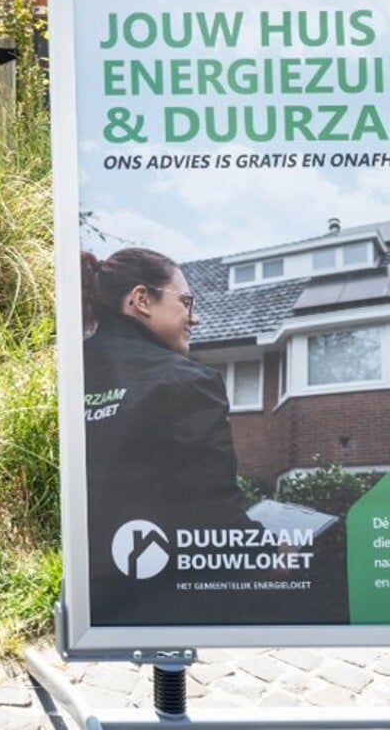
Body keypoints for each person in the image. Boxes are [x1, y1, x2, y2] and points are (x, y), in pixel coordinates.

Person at [81, 246, 262, 624]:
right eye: (186, 302)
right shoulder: (188, 382)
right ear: (142, 300)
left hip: (92, 592)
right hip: (161, 595)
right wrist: (265, 551)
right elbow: (216, 511)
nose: (194, 318)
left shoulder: (71, 367)